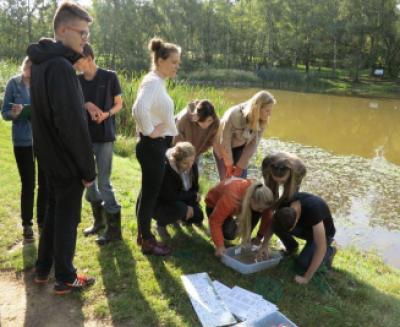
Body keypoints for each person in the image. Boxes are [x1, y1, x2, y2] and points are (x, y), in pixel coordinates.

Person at [27, 1, 96, 294]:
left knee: (55, 212)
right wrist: (87, 168)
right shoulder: (60, 67)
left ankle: (43, 269)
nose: (85, 39)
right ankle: (66, 277)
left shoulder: (41, 63)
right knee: (67, 218)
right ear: (63, 29)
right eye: (81, 32)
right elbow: (71, 124)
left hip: (48, 156)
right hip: (65, 159)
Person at [132, 37, 181, 256]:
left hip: (153, 146)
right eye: (173, 62)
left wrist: (148, 133)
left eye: (178, 62)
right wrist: (150, 131)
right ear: (160, 60)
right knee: (150, 195)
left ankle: (143, 236)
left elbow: (147, 110)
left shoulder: (157, 81)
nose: (176, 66)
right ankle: (148, 241)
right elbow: (139, 108)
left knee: (147, 192)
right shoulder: (153, 81)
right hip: (152, 146)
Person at [74, 43, 123, 245]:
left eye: (77, 60)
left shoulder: (110, 76)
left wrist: (106, 114)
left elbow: (119, 104)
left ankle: (114, 231)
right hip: (84, 137)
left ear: (89, 58)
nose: (74, 64)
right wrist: (87, 104)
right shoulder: (76, 80)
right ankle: (99, 222)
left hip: (104, 137)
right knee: (88, 181)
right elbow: (73, 104)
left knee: (103, 182)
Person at [1, 57, 48, 242]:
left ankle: (42, 221)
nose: (31, 70)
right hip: (22, 141)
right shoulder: (14, 83)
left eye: (34, 68)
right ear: (24, 66)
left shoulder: (41, 84)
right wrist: (15, 114)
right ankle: (27, 225)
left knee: (44, 183)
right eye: (28, 67)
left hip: (43, 141)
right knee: (28, 183)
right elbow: (4, 113)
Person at [257, 192, 337, 284]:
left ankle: (331, 251)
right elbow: (272, 224)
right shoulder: (285, 203)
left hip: (323, 235)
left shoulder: (314, 212)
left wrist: (306, 278)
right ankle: (292, 247)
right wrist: (264, 245)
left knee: (303, 263)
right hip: (304, 229)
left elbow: (320, 248)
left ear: (296, 222)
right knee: (277, 226)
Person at [213, 90, 276, 180]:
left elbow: (253, 145)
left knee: (240, 180)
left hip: (240, 147)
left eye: (270, 110)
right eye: (267, 110)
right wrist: (229, 164)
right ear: (258, 108)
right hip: (221, 146)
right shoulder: (234, 115)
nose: (269, 114)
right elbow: (224, 142)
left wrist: (240, 166)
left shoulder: (263, 120)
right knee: (226, 180)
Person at [205, 179, 274, 257]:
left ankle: (246, 238)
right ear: (252, 200)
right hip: (213, 206)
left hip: (232, 207)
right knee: (230, 232)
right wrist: (220, 246)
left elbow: (267, 216)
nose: (261, 211)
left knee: (257, 212)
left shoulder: (257, 193)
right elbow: (215, 221)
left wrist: (259, 237)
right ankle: (214, 231)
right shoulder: (232, 197)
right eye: (260, 209)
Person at [153, 142, 203, 240]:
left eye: (192, 161)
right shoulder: (166, 168)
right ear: (176, 161)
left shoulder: (192, 165)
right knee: (180, 209)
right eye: (185, 163)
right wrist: (188, 204)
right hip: (163, 203)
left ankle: (179, 218)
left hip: (182, 197)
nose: (190, 166)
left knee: (198, 216)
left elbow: (195, 187)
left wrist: (194, 198)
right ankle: (161, 224)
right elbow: (170, 196)